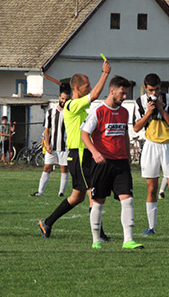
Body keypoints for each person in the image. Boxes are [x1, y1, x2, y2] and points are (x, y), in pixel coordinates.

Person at [38, 60, 111, 241]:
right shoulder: (71, 104)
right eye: (87, 85)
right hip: (79, 154)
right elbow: (94, 96)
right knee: (93, 194)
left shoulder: (80, 106)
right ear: (77, 88)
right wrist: (105, 74)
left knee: (78, 197)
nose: (90, 87)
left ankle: (47, 222)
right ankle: (99, 235)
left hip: (83, 154)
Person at [81, 76, 143, 249]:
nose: (124, 97)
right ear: (112, 91)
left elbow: (124, 133)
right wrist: (94, 153)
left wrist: (128, 155)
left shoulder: (124, 112)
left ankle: (128, 240)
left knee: (127, 200)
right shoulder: (99, 111)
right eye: (122, 93)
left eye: (126, 94)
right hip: (102, 163)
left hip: (121, 163)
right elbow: (84, 134)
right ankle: (96, 241)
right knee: (98, 201)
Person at [132, 73, 169, 236]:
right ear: (145, 89)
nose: (153, 94)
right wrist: (148, 113)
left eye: (155, 90)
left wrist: (161, 109)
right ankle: (151, 227)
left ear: (160, 87)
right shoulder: (139, 102)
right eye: (150, 91)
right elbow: (135, 128)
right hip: (151, 146)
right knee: (152, 188)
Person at [30, 91, 70, 197]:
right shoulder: (50, 112)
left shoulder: (70, 112)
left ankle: (61, 192)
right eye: (62, 98)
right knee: (47, 167)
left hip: (65, 146)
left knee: (64, 168)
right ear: (59, 98)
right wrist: (47, 144)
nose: (64, 101)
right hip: (52, 146)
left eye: (66, 99)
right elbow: (47, 129)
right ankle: (40, 192)